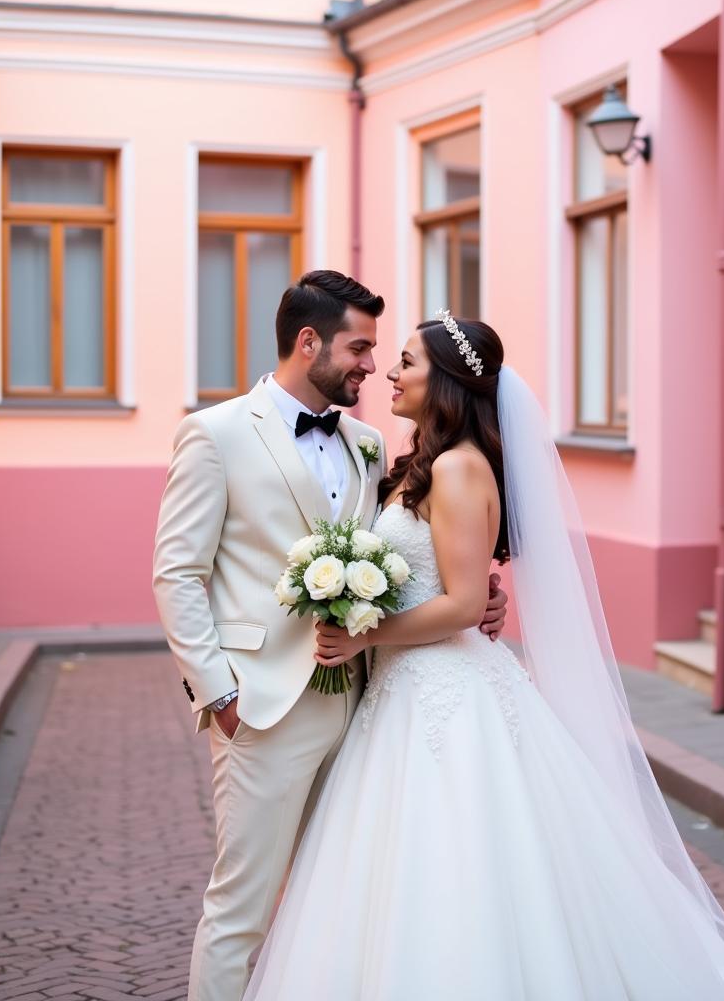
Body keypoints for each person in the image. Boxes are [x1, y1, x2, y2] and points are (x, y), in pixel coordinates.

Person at [242, 314, 724, 1001]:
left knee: (463, 866)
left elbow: (465, 605)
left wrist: (363, 635)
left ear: (444, 379)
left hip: (449, 693)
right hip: (403, 692)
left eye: (405, 361)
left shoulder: (462, 468)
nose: (390, 372)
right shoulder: (414, 464)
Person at [152, 272, 508, 1001]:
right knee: (240, 913)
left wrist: (481, 599)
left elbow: (421, 553)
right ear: (308, 342)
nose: (371, 367)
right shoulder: (214, 434)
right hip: (263, 710)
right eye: (359, 348)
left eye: (381, 352)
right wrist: (218, 694)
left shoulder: (373, 446)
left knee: (341, 905)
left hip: (369, 711)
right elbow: (177, 575)